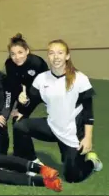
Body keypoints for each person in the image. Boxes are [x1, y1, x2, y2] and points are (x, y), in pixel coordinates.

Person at [14, 39, 103, 183]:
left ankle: (92, 162)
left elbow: (88, 112)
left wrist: (88, 138)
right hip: (51, 126)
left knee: (73, 177)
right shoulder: (41, 79)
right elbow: (32, 101)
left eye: (60, 53)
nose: (56, 57)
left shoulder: (80, 79)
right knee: (19, 126)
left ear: (67, 56)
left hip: (71, 132)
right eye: (52, 53)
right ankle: (32, 161)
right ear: (48, 56)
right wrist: (23, 105)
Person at [3, 33, 49, 157]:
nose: (16, 57)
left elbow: (45, 87)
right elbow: (15, 85)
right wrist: (20, 101)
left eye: (20, 52)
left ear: (27, 51)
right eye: (13, 54)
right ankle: (21, 153)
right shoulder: (9, 65)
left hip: (42, 91)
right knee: (17, 120)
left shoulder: (37, 63)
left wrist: (24, 108)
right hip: (26, 91)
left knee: (59, 119)